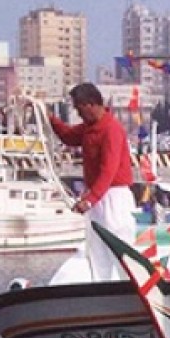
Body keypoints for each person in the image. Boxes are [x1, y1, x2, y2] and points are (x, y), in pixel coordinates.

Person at [49, 83, 136, 280]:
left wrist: (89, 200)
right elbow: (68, 136)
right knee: (97, 251)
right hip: (97, 196)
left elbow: (109, 171)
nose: (78, 114)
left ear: (89, 105)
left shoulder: (111, 130)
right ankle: (102, 287)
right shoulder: (90, 128)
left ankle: (130, 286)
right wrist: (50, 119)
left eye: (79, 108)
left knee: (120, 247)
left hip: (114, 196)